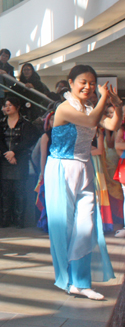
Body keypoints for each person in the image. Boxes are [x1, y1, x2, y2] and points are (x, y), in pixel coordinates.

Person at [44, 65, 121, 300]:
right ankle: (68, 280)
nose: (87, 87)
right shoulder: (65, 108)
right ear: (70, 83)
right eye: (82, 82)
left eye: (91, 83)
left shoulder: (90, 108)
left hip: (85, 167)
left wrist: (116, 105)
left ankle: (82, 282)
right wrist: (105, 99)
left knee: (86, 227)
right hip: (61, 168)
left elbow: (112, 125)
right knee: (64, 227)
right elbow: (91, 122)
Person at [0, 96, 39, 228]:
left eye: (9, 105)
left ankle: (19, 219)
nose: (6, 108)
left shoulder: (25, 124)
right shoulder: (1, 124)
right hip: (5, 160)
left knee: (20, 190)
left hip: (20, 160)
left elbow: (30, 139)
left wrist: (14, 152)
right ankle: (5, 219)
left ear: (17, 107)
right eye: (5, 105)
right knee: (5, 191)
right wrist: (7, 154)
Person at [34, 111, 54, 232]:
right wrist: (42, 172)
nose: (54, 122)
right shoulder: (46, 136)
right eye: (52, 120)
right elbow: (42, 156)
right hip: (50, 168)